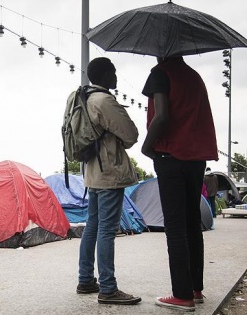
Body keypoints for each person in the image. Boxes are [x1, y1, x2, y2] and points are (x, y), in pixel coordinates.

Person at [141, 56, 218, 311]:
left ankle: (181, 295)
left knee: (174, 227)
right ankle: (196, 289)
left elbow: (161, 116)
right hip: (196, 159)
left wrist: (146, 146)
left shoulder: (161, 73)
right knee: (192, 224)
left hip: (170, 157)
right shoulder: (194, 77)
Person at [76, 57, 141, 305]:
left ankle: (85, 280)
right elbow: (131, 135)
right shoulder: (104, 100)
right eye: (113, 72)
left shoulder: (84, 98)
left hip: (92, 173)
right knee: (106, 230)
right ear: (104, 75)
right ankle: (108, 288)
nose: (115, 76)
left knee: (92, 226)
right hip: (109, 173)